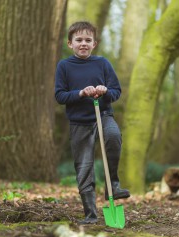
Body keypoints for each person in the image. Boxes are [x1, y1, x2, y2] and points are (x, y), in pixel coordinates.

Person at [55, 21, 130, 224]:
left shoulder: (103, 63)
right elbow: (60, 96)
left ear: (94, 43)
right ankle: (90, 213)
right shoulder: (64, 66)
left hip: (103, 114)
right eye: (78, 40)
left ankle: (112, 185)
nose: (83, 44)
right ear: (70, 43)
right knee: (84, 166)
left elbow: (116, 91)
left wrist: (105, 91)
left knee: (113, 136)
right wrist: (81, 93)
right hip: (80, 122)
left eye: (88, 40)